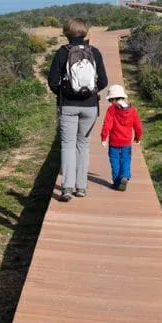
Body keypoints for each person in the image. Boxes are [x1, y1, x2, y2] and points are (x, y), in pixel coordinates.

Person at [46, 18, 108, 201]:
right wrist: (88, 93)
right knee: (83, 145)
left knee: (67, 145)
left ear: (66, 33)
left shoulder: (62, 53)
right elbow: (103, 81)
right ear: (85, 32)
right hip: (89, 106)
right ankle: (81, 187)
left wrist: (64, 93)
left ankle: (67, 188)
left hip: (68, 106)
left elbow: (52, 81)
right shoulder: (94, 52)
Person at [100, 84, 143, 191]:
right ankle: (124, 176)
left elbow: (107, 124)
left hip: (114, 142)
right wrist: (138, 137)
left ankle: (116, 182)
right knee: (126, 159)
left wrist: (104, 137)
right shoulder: (132, 110)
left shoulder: (112, 110)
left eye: (110, 100)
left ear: (114, 98)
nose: (110, 102)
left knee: (114, 161)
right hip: (126, 142)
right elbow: (138, 125)